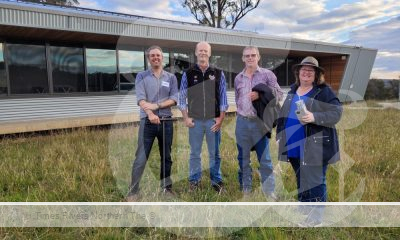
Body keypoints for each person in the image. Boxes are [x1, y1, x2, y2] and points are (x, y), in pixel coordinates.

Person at [276, 56, 342, 226]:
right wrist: (279, 136)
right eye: (303, 69)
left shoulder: (323, 91)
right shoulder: (292, 91)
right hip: (293, 145)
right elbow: (283, 116)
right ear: (298, 72)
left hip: (314, 146)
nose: (306, 72)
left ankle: (315, 219)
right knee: (301, 178)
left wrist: (314, 117)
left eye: (310, 70)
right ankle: (304, 208)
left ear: (316, 74)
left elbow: (336, 113)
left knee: (315, 180)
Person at [127, 46, 179, 201]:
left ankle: (166, 189)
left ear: (162, 57)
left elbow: (174, 98)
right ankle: (133, 192)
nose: (155, 58)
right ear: (148, 58)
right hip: (147, 123)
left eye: (158, 55)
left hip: (166, 122)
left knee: (166, 157)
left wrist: (156, 106)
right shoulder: (141, 76)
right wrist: (150, 113)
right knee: (141, 158)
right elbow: (140, 99)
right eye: (152, 56)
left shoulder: (171, 78)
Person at [178, 41, 229, 193]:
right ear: (195, 52)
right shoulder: (188, 73)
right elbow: (181, 98)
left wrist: (220, 119)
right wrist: (185, 118)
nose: (203, 53)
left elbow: (223, 98)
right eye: (200, 50)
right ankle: (194, 182)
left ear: (210, 53)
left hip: (213, 120)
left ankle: (216, 182)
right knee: (195, 153)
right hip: (195, 121)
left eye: (205, 51)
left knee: (215, 153)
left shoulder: (218, 73)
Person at [234, 46, 283, 199]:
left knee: (265, 159)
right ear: (243, 58)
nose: (250, 58)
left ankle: (269, 191)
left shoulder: (267, 75)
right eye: (247, 56)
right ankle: (246, 188)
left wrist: (261, 93)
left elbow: (279, 94)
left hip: (259, 123)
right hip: (242, 122)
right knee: (243, 158)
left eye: (253, 55)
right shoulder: (238, 78)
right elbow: (237, 99)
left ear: (258, 57)